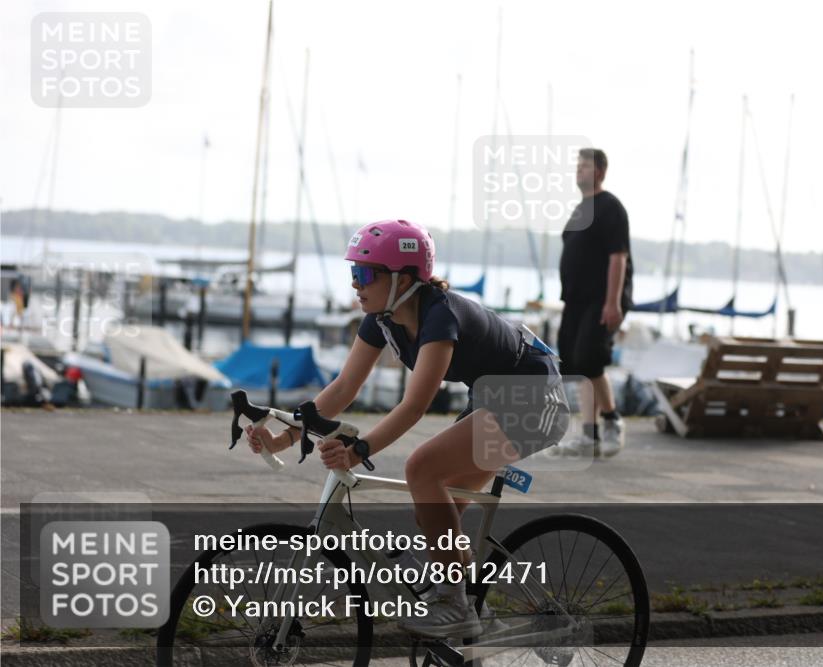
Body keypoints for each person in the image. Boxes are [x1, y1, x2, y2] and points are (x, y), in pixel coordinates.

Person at [245, 219, 569, 638]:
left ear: (403, 280)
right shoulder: (382, 317)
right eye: (353, 273)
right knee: (435, 511)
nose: (355, 285)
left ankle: (453, 605)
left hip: (535, 397)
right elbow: (344, 387)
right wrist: (285, 436)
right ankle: (469, 610)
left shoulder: (439, 315)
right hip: (492, 397)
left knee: (422, 469)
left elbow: (415, 405)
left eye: (364, 274)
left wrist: (360, 450)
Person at [549, 148, 632, 459]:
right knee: (576, 364)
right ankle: (589, 435)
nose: (578, 171)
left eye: (584, 166)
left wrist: (612, 302)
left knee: (589, 359)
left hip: (601, 299)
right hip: (575, 300)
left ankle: (612, 421)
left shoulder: (611, 208)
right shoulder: (581, 209)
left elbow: (618, 256)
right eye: (577, 166)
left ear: (600, 171)